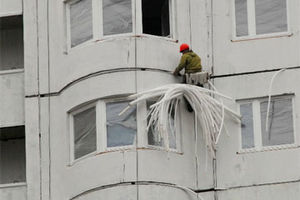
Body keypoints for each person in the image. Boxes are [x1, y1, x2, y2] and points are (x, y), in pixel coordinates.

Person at [173, 43, 202, 112]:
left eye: (182, 52)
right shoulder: (196, 56)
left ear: (184, 50)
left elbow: (181, 65)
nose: (182, 53)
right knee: (199, 90)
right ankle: (199, 103)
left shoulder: (185, 56)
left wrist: (176, 72)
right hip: (199, 76)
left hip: (189, 76)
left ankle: (190, 107)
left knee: (186, 91)